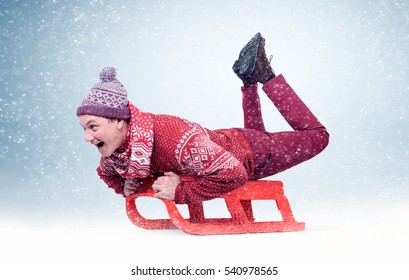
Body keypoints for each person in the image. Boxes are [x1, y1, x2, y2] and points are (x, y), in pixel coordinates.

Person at [77, 33, 329, 204]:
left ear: (119, 121)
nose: (87, 137)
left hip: (251, 154)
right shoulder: (118, 154)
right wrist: (127, 187)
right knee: (258, 136)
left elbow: (234, 174)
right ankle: (250, 79)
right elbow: (107, 174)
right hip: (232, 142)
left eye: (93, 127)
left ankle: (267, 76)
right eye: (84, 128)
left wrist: (180, 192)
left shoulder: (173, 139)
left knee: (318, 136)